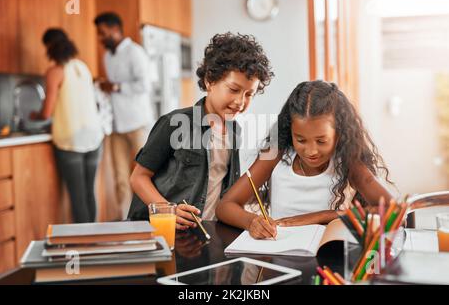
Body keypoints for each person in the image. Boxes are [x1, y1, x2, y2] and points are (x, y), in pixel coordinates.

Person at [128, 33, 274, 230]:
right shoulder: (175, 123)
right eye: (233, 89)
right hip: (166, 231)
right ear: (209, 81)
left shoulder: (234, 130)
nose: (240, 102)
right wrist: (167, 209)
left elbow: (224, 189)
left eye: (249, 94)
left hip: (207, 232)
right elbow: (138, 177)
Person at [216, 80, 394, 239]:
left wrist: (323, 216)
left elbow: (393, 211)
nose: (311, 151)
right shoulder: (276, 155)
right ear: (289, 131)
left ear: (339, 133)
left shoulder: (347, 161)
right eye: (300, 140)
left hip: (327, 257)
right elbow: (225, 206)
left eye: (321, 141)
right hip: (280, 252)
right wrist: (252, 221)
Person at [31, 28, 104, 223]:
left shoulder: (55, 71)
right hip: (94, 136)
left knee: (77, 196)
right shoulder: (82, 66)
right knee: (90, 192)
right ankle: (94, 240)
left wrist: (34, 115)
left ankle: (84, 245)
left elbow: (46, 112)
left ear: (49, 48)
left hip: (70, 140)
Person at [94, 12, 155, 219]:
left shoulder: (135, 52)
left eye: (102, 33)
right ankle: (125, 221)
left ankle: (152, 217)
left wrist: (116, 86)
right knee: (120, 178)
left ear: (115, 30)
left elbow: (145, 85)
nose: (100, 38)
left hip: (137, 123)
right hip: (116, 125)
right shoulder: (107, 56)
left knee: (146, 175)